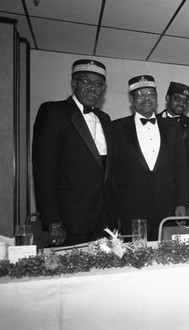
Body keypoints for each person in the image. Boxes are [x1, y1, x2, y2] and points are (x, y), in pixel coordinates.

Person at [32, 59, 115, 246]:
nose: (93, 88)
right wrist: (53, 221)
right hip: (70, 221)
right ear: (73, 84)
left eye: (98, 84)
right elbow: (44, 171)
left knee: (105, 273)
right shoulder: (54, 112)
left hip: (103, 220)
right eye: (86, 81)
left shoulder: (105, 119)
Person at [111, 75, 189, 240]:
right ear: (132, 99)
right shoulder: (116, 128)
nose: (146, 99)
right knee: (135, 256)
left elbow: (180, 167)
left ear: (157, 98)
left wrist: (181, 202)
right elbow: (112, 171)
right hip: (131, 207)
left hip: (166, 205)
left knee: (167, 256)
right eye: (140, 94)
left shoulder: (172, 127)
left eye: (151, 94)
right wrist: (114, 209)